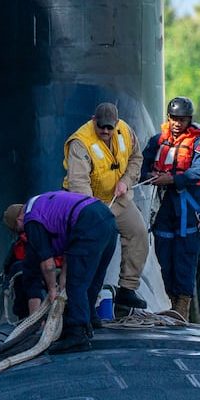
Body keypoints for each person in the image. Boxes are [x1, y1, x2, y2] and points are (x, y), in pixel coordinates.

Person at [3, 192, 117, 354]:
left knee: (76, 283)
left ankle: (77, 334)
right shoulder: (45, 207)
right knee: (93, 277)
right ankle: (91, 319)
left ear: (19, 221)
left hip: (88, 222)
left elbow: (48, 265)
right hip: (106, 217)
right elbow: (69, 248)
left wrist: (52, 289)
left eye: (18, 231)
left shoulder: (31, 219)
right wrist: (62, 277)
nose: (23, 235)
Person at [63, 102, 149, 311]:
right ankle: (86, 302)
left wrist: (126, 181)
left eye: (110, 127)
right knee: (96, 247)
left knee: (138, 233)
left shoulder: (126, 132)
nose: (105, 131)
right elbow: (78, 183)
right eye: (101, 126)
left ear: (116, 124)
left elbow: (136, 158)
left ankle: (127, 290)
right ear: (94, 120)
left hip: (117, 198)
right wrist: (95, 213)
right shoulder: (80, 143)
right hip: (89, 203)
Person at [140, 96, 200, 321]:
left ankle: (182, 309)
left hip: (187, 208)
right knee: (164, 254)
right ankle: (171, 304)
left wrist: (170, 179)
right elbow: (142, 165)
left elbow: (197, 172)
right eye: (174, 119)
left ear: (189, 120)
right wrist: (150, 176)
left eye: (182, 119)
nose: (177, 123)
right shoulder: (157, 141)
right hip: (163, 206)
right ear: (168, 118)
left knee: (184, 257)